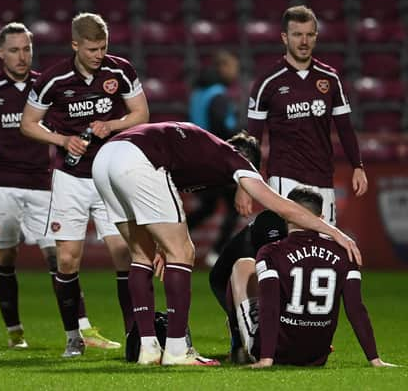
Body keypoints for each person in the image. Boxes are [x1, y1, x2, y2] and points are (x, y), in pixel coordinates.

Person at [91, 121, 361, 366]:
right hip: (137, 159)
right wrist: (334, 232)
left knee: (141, 255)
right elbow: (284, 208)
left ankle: (148, 348)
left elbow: (159, 192)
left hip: (104, 159)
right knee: (184, 252)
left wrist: (162, 245)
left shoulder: (202, 149)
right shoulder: (236, 162)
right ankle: (176, 350)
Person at [0, 22, 113, 350]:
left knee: (57, 257)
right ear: (1, 53)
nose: (22, 56)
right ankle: (15, 330)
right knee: (5, 258)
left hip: (44, 182)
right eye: (15, 50)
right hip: (2, 182)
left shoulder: (46, 86)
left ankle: (81, 331)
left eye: (27, 49)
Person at [20, 12, 149, 357]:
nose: (98, 54)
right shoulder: (53, 79)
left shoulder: (120, 70)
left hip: (110, 176)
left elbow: (141, 114)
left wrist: (115, 123)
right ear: (75, 45)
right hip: (71, 179)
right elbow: (28, 123)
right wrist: (62, 140)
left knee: (125, 255)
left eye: (103, 47)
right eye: (92, 48)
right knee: (67, 260)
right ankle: (73, 337)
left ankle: (134, 335)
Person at [227, 187, 395, 368]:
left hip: (276, 352)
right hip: (317, 356)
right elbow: (356, 310)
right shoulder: (345, 253)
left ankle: (239, 345)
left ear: (285, 215)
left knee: (242, 266)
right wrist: (375, 359)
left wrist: (266, 359)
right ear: (321, 219)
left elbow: (271, 306)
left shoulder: (271, 252)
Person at [246, 5, 368, 225]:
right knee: (288, 247)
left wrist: (357, 166)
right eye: (297, 35)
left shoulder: (330, 78)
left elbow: (345, 128)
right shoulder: (268, 82)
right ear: (285, 37)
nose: (304, 41)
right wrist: (245, 184)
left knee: (325, 245)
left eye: (309, 35)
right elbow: (252, 138)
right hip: (285, 176)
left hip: (323, 176)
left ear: (316, 37)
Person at [208, 210, 287, 362]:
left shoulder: (284, 237)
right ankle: (237, 346)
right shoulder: (245, 250)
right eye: (268, 245)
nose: (272, 249)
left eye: (277, 244)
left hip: (257, 273)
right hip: (223, 281)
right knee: (244, 313)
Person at [187, 50, 241, 266]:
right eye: (232, 67)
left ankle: (171, 240)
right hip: (217, 160)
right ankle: (216, 253)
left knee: (208, 207)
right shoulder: (218, 94)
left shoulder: (198, 93)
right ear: (222, 68)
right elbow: (223, 128)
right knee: (235, 206)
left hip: (198, 158)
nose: (235, 73)